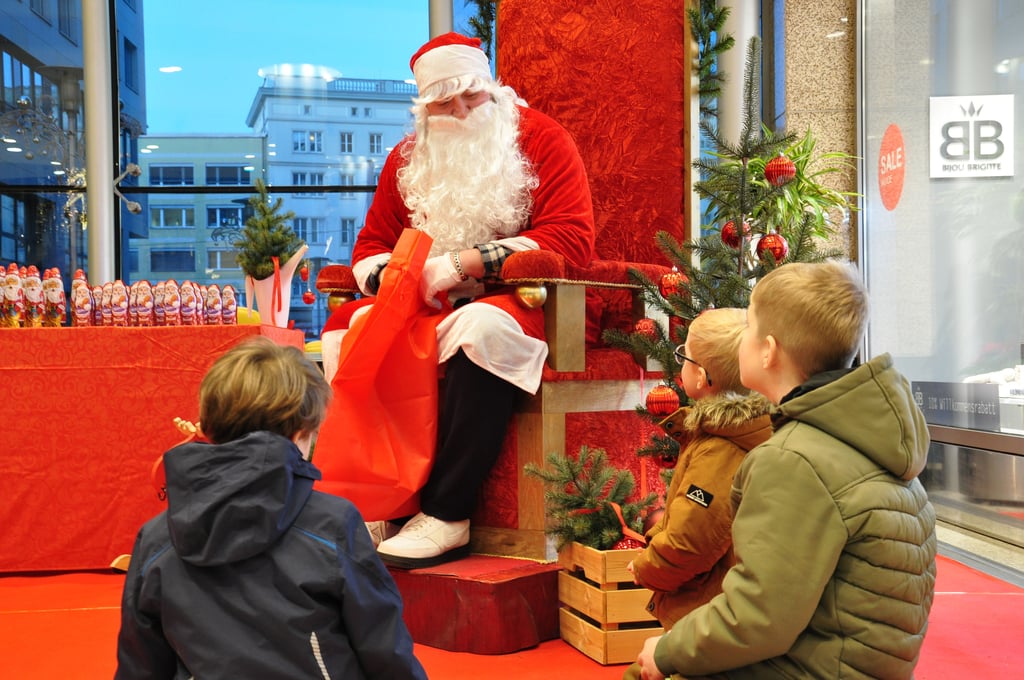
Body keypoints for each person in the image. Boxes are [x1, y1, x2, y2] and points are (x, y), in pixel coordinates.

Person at [324, 31, 595, 567]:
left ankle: (447, 514)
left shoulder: (541, 139)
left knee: (482, 330)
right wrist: (391, 277)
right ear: (426, 109)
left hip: (516, 295)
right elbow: (371, 243)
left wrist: (462, 264)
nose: (463, 110)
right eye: (445, 103)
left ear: (490, 88)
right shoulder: (408, 157)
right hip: (420, 301)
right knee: (348, 328)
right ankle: (381, 500)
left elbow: (571, 238)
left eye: (472, 95)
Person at [635, 261, 937, 680]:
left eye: (749, 327)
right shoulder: (872, 434)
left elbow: (758, 615)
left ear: (768, 350)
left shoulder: (792, 460)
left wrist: (667, 652)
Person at [113, 338, 427, 680]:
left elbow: (140, 664)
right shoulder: (333, 524)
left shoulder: (157, 537)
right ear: (300, 434)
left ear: (208, 427)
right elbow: (383, 647)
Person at [622, 309, 773, 680]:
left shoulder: (720, 450)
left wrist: (647, 566)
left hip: (710, 610)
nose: (680, 364)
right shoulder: (726, 434)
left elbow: (693, 539)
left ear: (704, 376)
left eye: (684, 355)